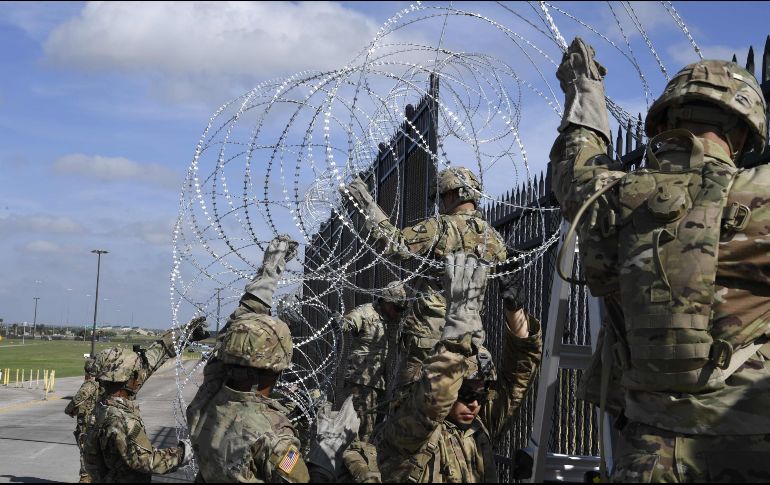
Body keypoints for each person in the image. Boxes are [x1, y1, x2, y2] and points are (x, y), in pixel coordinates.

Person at [551, 36, 770, 482]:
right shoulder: (760, 197)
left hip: (647, 451)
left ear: (666, 121)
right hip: (750, 444)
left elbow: (575, 165)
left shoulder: (611, 197)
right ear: (742, 132)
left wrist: (585, 90)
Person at [375, 252, 542, 482]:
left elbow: (518, 377)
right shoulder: (410, 431)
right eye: (466, 393)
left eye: (482, 395)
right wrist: (457, 334)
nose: (474, 403)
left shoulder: (479, 428)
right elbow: (433, 401)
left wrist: (515, 310)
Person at [341, 167, 507, 388]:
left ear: (451, 194)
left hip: (428, 339)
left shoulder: (442, 226)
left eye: (441, 196)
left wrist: (365, 203)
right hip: (468, 335)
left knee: (411, 410)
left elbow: (395, 243)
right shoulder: (493, 238)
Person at [82, 316, 207, 482]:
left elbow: (156, 354)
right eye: (137, 371)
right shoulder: (120, 421)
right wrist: (183, 452)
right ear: (130, 379)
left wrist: (185, 334)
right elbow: (147, 461)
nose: (142, 373)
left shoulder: (103, 402)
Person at [341, 281, 407, 441]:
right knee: (361, 430)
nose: (398, 312)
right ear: (385, 301)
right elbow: (349, 323)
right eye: (396, 308)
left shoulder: (396, 320)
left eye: (401, 309)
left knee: (378, 430)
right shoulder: (365, 312)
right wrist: (341, 323)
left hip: (384, 383)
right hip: (362, 382)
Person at [65, 358, 100, 483]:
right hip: (99, 422)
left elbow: (77, 399)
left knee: (85, 450)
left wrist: (69, 410)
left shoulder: (90, 384)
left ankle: (85, 477)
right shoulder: (103, 384)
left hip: (87, 423)